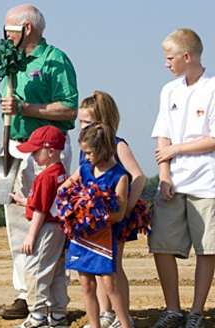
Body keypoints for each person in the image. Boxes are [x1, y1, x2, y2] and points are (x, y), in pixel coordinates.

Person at [0, 3, 78, 320]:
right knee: (17, 224)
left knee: (48, 223)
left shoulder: (54, 59)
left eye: (8, 29)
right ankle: (25, 291)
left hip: (47, 149)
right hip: (16, 145)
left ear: (26, 29)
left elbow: (68, 108)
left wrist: (26, 108)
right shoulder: (9, 63)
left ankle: (53, 298)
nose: (3, 35)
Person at [150, 28, 215, 328]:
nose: (166, 63)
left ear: (187, 57)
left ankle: (196, 312)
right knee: (161, 244)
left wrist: (177, 149)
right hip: (173, 181)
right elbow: (162, 134)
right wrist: (164, 174)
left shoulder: (213, 88)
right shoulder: (169, 90)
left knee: (207, 249)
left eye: (169, 57)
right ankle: (172, 309)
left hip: (207, 182)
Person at [77, 91, 146, 328]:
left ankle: (121, 314)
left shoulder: (118, 145)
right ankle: (105, 313)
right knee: (96, 266)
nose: (82, 126)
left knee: (113, 267)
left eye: (87, 122)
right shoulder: (86, 149)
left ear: (102, 122)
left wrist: (126, 209)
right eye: (80, 122)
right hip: (93, 220)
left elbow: (138, 177)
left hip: (114, 216)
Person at [60, 123, 130, 328]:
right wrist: (75, 207)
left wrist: (95, 214)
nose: (86, 156)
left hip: (103, 238)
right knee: (86, 284)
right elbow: (63, 191)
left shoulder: (120, 176)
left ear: (103, 149)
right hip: (81, 237)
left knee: (110, 284)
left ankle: (125, 324)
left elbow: (119, 214)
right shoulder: (84, 170)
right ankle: (94, 324)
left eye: (89, 152)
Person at [8, 125, 69, 328]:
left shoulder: (45, 176)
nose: (33, 155)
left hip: (45, 229)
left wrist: (30, 237)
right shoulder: (60, 173)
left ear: (50, 151)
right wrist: (24, 201)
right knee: (57, 272)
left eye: (35, 151)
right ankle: (59, 315)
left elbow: (41, 211)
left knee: (35, 271)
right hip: (59, 230)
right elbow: (46, 202)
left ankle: (37, 316)